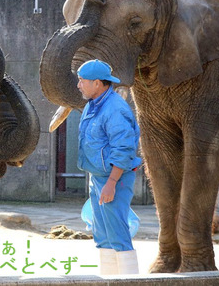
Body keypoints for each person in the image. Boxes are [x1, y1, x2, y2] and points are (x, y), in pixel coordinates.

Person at [76, 59, 142, 275]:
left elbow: (123, 149)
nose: (78, 85)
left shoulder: (115, 108)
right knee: (102, 233)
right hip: (98, 178)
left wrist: (112, 183)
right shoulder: (92, 105)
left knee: (117, 232)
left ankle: (129, 280)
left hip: (115, 178)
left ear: (97, 83)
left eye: (82, 81)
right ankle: (108, 279)